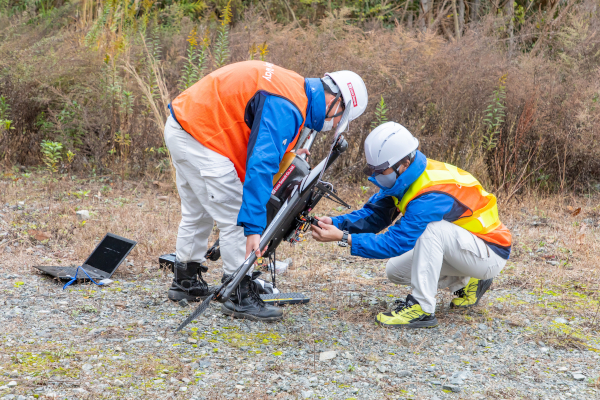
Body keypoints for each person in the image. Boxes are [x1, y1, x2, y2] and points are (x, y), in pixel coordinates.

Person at [164, 60, 368, 322]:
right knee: (235, 214)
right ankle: (239, 293)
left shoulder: (295, 89)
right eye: (341, 117)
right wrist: (253, 227)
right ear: (337, 102)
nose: (335, 122)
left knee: (197, 210)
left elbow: (258, 133)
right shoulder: (287, 105)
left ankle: (186, 280)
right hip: (201, 134)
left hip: (185, 124)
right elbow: (260, 166)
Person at [311, 122, 511, 328]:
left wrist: (344, 238)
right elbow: (376, 215)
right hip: (465, 247)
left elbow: (396, 241)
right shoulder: (404, 178)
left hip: (490, 252)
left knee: (432, 230)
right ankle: (469, 281)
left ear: (404, 163)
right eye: (374, 170)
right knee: (395, 271)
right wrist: (336, 223)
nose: (377, 176)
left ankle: (422, 309)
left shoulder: (430, 194)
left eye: (381, 170)